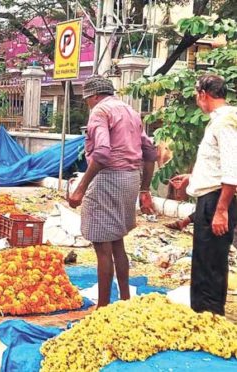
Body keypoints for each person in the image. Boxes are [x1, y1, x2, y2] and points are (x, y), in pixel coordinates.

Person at [68, 76, 156, 308]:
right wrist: (144, 188)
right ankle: (125, 299)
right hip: (130, 179)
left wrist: (80, 188)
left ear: (94, 96)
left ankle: (103, 308)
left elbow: (103, 152)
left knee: (102, 246)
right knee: (117, 241)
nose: (88, 103)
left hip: (107, 178)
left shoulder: (100, 111)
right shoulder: (130, 111)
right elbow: (150, 152)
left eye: (87, 99)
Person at [171, 74, 237, 315]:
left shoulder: (225, 122)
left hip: (217, 201)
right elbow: (219, 164)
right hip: (212, 197)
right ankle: (202, 315)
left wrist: (221, 211)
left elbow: (232, 170)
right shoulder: (220, 120)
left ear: (203, 94)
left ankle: (209, 318)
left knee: (209, 264)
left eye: (196, 95)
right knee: (204, 260)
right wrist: (193, 178)